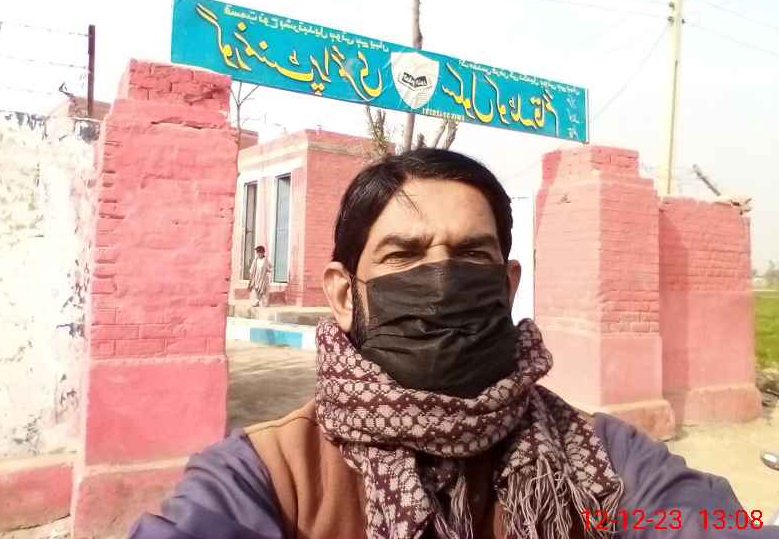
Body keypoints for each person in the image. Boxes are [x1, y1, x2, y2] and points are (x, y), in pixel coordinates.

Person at [130, 149, 776, 539]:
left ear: (507, 284)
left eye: (470, 255)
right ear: (343, 294)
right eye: (404, 256)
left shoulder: (605, 458)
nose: (440, 279)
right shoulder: (270, 476)